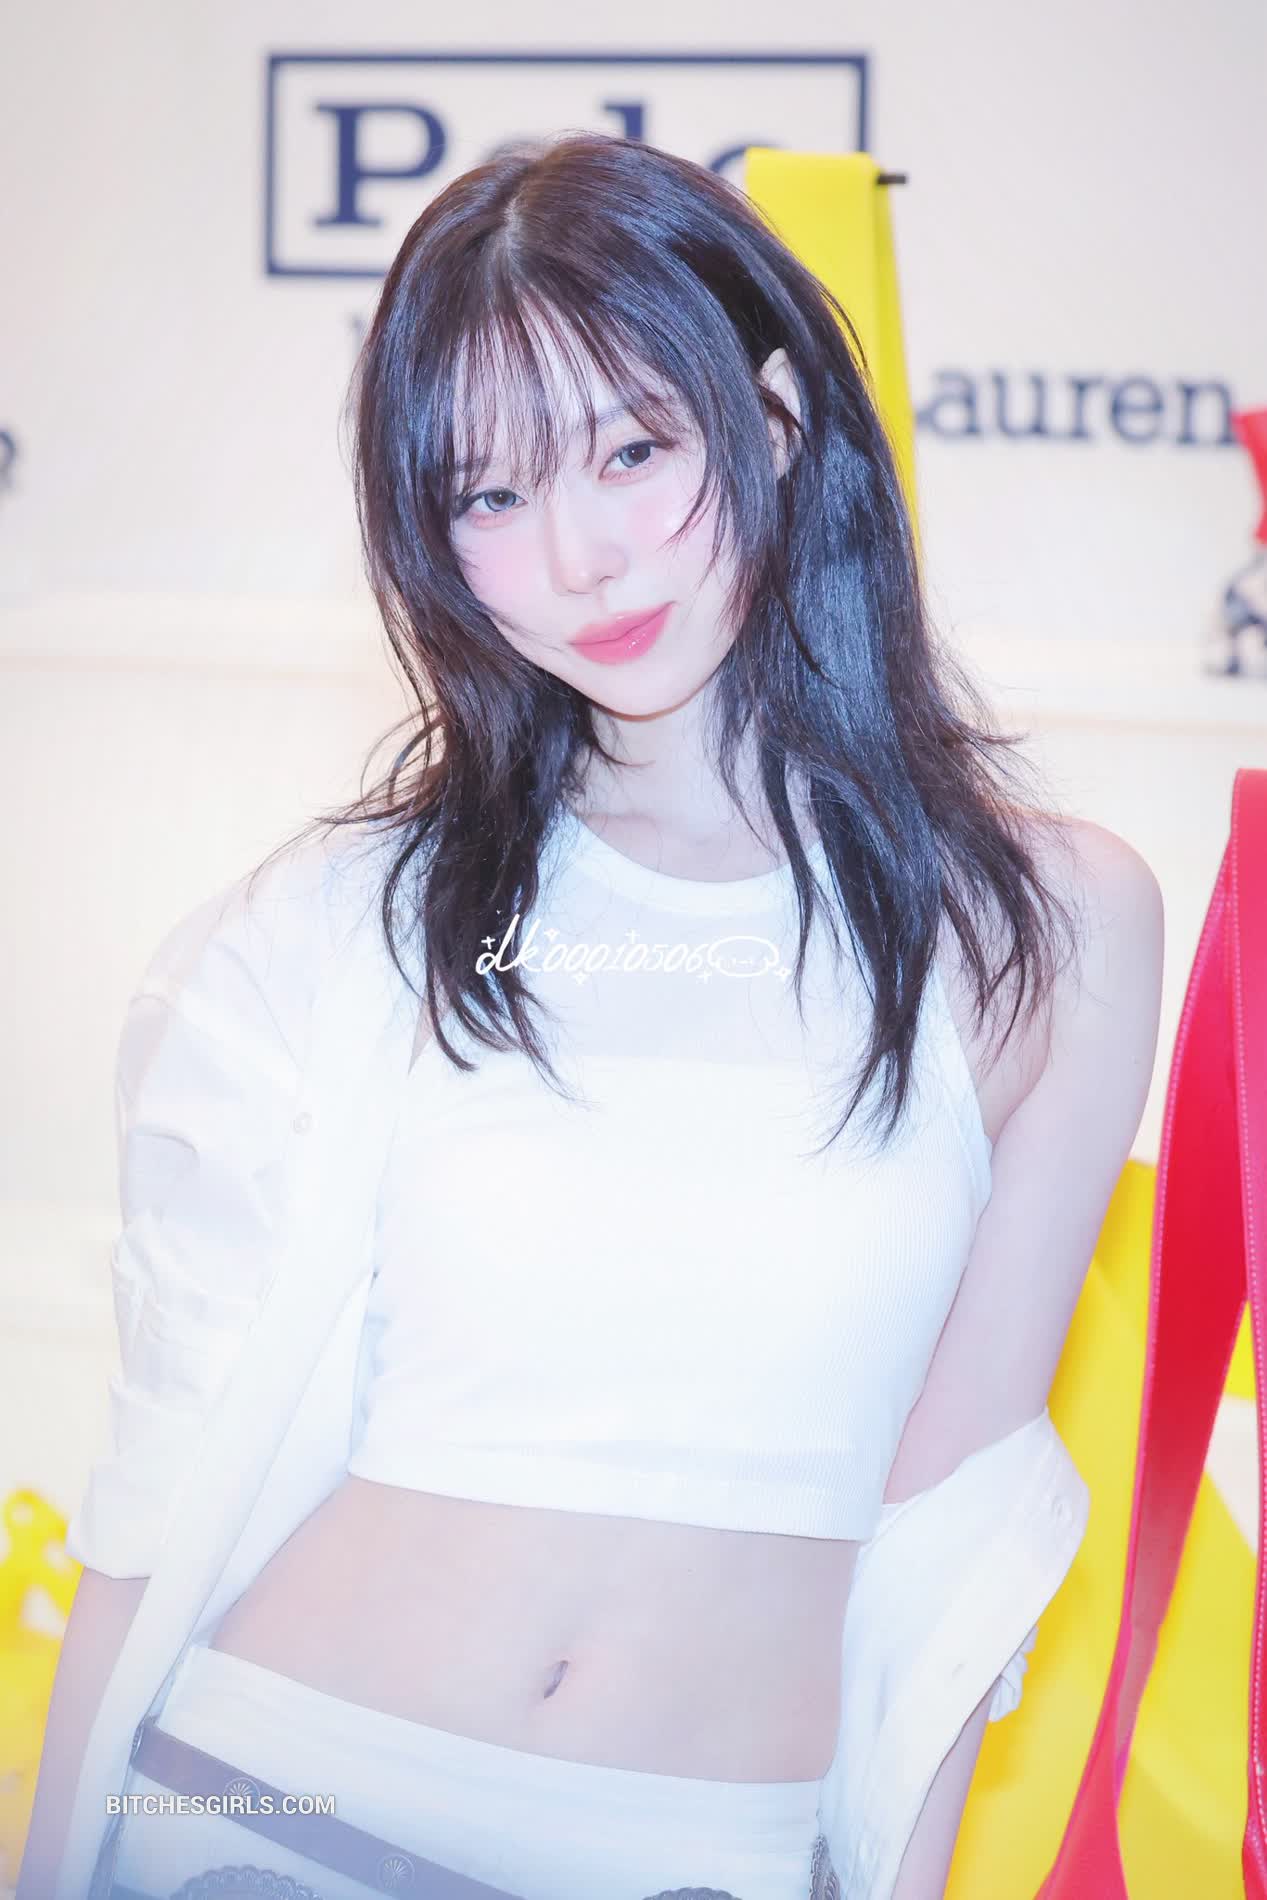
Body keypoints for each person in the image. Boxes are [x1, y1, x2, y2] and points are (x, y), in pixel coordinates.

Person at [22, 132, 1162, 1900]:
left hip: (700, 1854)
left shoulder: (1049, 923)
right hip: (266, 1814)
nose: (580, 556)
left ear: (774, 422)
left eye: (635, 451)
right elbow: (162, 1485)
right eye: (489, 496)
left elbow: (956, 1545)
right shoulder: (353, 919)